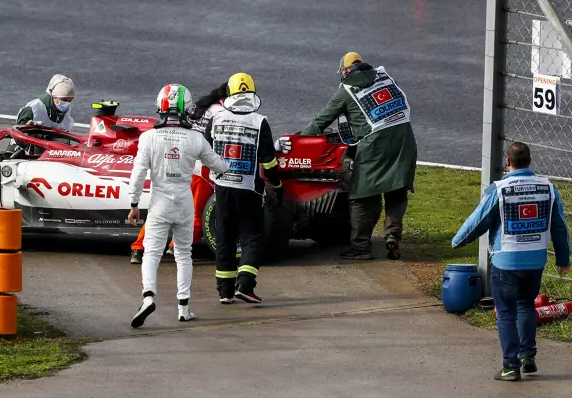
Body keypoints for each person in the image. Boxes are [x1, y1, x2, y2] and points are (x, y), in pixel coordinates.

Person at [451, 142, 571, 381]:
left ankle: (510, 366)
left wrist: (458, 241)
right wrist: (563, 258)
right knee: (526, 304)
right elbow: (560, 226)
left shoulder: (500, 189)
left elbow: (478, 221)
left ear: (508, 162)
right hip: (536, 260)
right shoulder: (549, 188)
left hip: (505, 262)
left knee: (506, 313)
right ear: (530, 161)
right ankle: (528, 356)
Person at [294, 52, 417, 261]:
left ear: (344, 71)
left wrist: (299, 140)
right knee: (396, 190)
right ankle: (392, 236)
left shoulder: (346, 90)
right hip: (405, 140)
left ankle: (361, 248)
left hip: (375, 144)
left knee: (361, 196)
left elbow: (321, 121)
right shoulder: (384, 77)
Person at [127, 84, 230, 328]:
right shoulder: (195, 138)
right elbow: (220, 166)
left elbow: (138, 174)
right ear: (186, 109)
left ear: (160, 108)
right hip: (184, 202)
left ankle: (148, 297)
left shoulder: (148, 137)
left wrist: (133, 203)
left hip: (159, 203)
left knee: (151, 253)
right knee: (184, 255)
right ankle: (183, 308)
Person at [206, 72, 283, 305]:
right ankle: (246, 285)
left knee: (225, 238)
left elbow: (204, 150)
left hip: (222, 188)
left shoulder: (216, 119)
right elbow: (269, 162)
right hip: (250, 190)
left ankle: (225, 292)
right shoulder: (260, 122)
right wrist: (277, 185)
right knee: (253, 237)